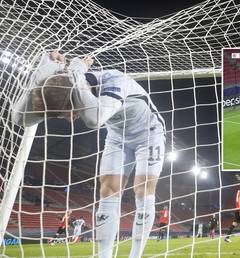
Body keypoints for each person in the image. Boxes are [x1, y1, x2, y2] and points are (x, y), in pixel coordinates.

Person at [11, 50, 166, 258]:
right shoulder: (69, 88)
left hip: (149, 134)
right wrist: (39, 76)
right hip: (116, 137)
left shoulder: (114, 79)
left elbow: (95, 119)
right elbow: (19, 119)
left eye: (70, 110)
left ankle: (135, 255)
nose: (70, 118)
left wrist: (77, 71)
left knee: (143, 189)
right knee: (108, 190)